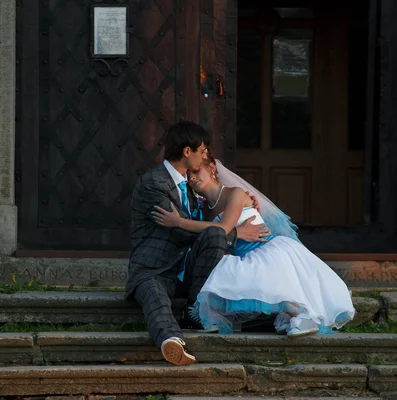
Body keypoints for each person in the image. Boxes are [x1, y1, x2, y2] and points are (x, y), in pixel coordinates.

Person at [152, 154, 355, 337]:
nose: (192, 178)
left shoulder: (236, 194)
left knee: (257, 273)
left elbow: (223, 228)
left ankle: (299, 314)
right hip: (240, 256)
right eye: (188, 175)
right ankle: (284, 316)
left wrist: (178, 222)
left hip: (266, 250)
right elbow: (217, 240)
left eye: (196, 171)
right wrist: (237, 234)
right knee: (227, 272)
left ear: (212, 168)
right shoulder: (204, 212)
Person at [125, 121, 268, 366]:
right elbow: (179, 231)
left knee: (214, 235)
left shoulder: (191, 187)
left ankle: (195, 310)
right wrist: (235, 234)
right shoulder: (154, 184)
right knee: (154, 296)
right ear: (186, 151)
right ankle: (171, 341)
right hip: (155, 269)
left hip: (186, 269)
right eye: (201, 150)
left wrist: (243, 202)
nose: (205, 155)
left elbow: (211, 214)